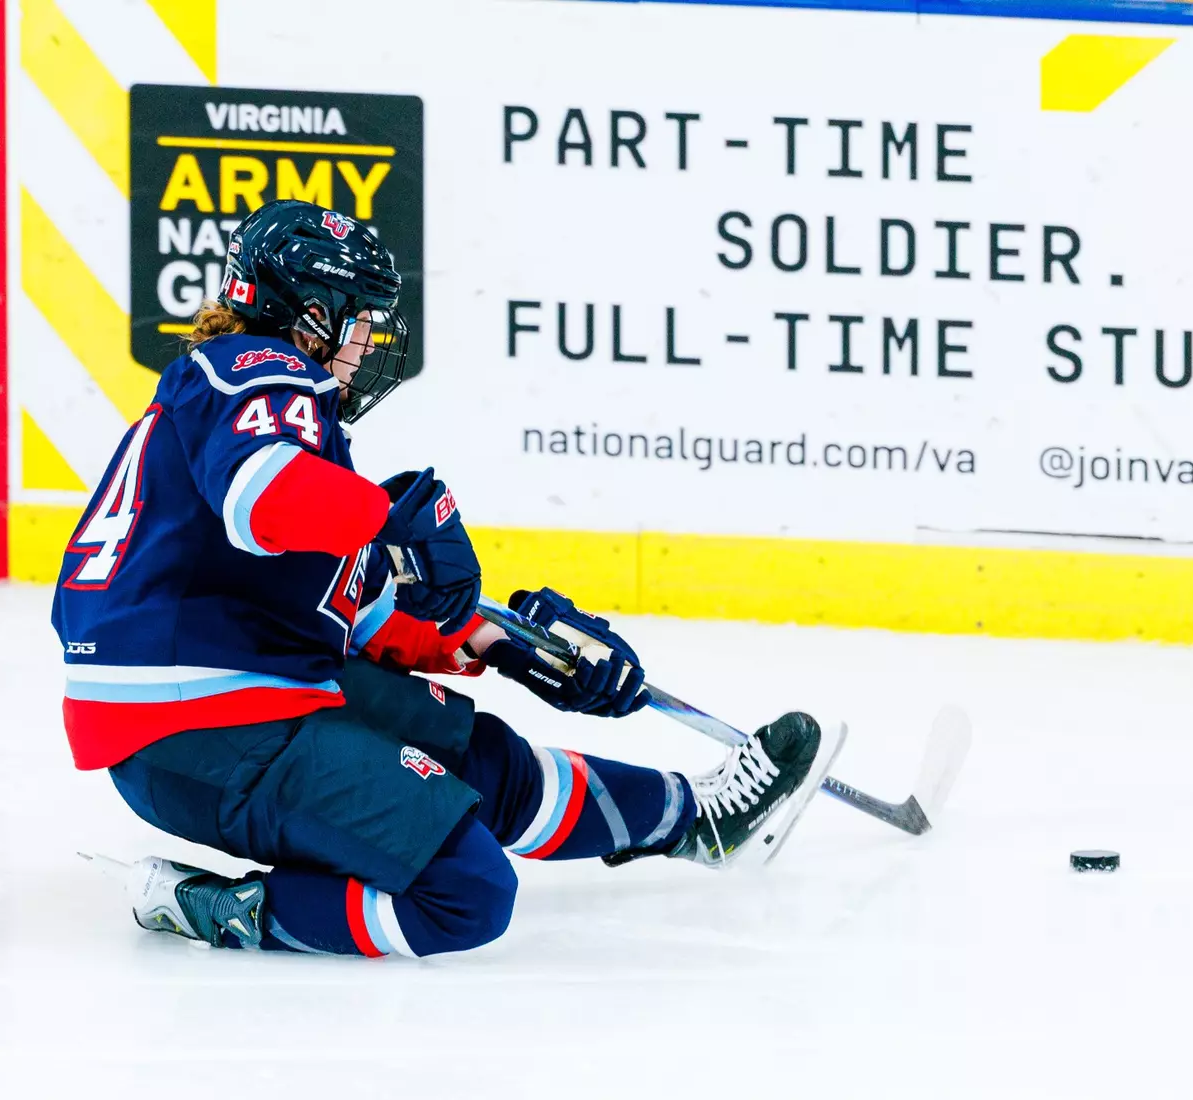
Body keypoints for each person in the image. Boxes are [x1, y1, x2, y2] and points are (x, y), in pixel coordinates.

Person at [51, 200, 834, 958]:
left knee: (482, 759)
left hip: (236, 688)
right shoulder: (257, 371)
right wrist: (393, 525)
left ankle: (694, 820)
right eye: (357, 320)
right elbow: (264, 499)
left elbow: (336, 602)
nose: (365, 343)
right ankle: (223, 908)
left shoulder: (243, 401)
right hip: (200, 726)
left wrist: (500, 643)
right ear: (311, 315)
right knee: (466, 891)